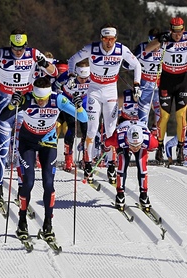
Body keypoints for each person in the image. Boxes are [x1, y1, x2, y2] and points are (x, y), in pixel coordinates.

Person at [5, 77, 87, 242]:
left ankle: (48, 223)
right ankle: (22, 221)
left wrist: (78, 107)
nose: (41, 102)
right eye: (38, 99)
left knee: (48, 183)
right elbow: (3, 117)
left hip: (48, 143)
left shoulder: (59, 99)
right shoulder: (27, 99)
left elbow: (84, 118)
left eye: (43, 99)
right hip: (27, 142)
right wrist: (13, 104)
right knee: (28, 182)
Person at [0, 29, 57, 202]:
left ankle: (22, 188)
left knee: (20, 150)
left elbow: (54, 73)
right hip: (5, 102)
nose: (18, 52)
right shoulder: (1, 53)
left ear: (26, 45)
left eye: (21, 48)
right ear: (10, 45)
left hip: (25, 103)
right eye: (15, 48)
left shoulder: (33, 53)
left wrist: (44, 63)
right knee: (4, 149)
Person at [68, 23, 141, 185]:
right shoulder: (91, 48)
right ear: (101, 38)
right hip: (94, 90)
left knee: (110, 129)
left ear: (116, 38)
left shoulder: (121, 49)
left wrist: (136, 84)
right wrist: (72, 76)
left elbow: (137, 65)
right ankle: (88, 162)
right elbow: (73, 59)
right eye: (106, 39)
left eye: (112, 39)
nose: (109, 42)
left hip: (110, 91)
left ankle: (111, 164)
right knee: (92, 128)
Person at [145, 17, 187, 163]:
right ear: (170, 30)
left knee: (181, 116)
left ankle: (181, 147)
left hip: (183, 80)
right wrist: (158, 40)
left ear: (184, 29)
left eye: (180, 32)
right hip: (166, 80)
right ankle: (159, 147)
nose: (177, 35)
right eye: (175, 32)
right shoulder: (164, 37)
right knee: (164, 117)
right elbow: (148, 49)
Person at [105, 122, 158, 211]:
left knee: (142, 164)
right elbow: (106, 144)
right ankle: (120, 194)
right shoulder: (118, 138)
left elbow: (154, 146)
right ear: (127, 140)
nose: (135, 148)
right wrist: (106, 148)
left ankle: (144, 195)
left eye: (137, 145)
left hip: (139, 135)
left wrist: (144, 147)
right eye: (133, 146)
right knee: (123, 162)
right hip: (124, 141)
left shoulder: (149, 140)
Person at [54, 59, 90, 172]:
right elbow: (55, 86)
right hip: (68, 101)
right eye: (81, 78)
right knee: (71, 127)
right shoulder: (68, 75)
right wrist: (60, 93)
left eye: (86, 78)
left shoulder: (92, 76)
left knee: (86, 129)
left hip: (84, 100)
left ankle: (86, 157)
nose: (83, 80)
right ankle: (68, 159)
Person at [132, 28, 162, 127]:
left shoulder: (165, 48)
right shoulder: (142, 48)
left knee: (161, 116)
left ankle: (159, 138)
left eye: (156, 43)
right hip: (145, 86)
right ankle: (143, 136)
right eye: (151, 42)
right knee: (143, 119)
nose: (154, 47)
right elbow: (127, 64)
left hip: (160, 85)